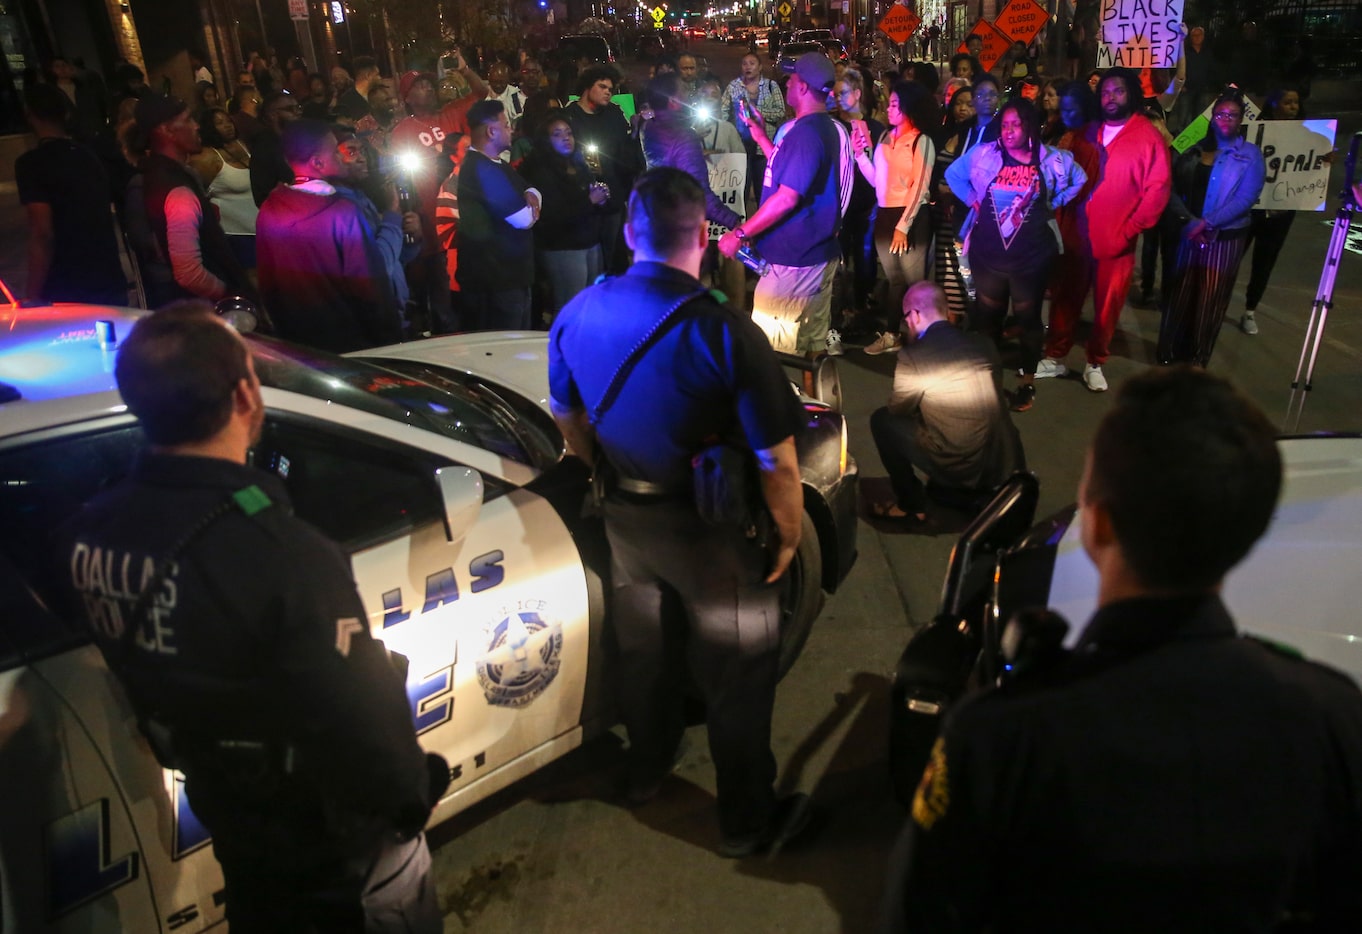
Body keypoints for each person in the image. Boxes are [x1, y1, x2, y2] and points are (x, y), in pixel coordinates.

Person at [879, 365, 1362, 932]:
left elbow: (917, 914)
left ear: (1099, 523)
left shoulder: (1000, 736)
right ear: (1248, 536)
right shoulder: (1331, 718)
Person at [52, 304, 446, 932]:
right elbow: (369, 733)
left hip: (232, 820)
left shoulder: (84, 533)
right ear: (246, 396)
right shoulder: (286, 557)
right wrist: (411, 799)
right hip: (336, 849)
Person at [547, 167, 812, 859]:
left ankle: (646, 770)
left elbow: (566, 415)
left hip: (627, 524)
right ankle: (746, 819)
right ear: (702, 235)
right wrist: (788, 532)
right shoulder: (725, 332)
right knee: (738, 677)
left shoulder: (578, 312)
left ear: (631, 231)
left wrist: (602, 463)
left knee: (643, 657)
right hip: (713, 535)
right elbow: (776, 460)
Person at [946, 98, 1087, 411]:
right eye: (1005, 124)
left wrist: (1055, 201)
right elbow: (954, 174)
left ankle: (1027, 381)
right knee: (988, 319)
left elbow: (1080, 178)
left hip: (1031, 259)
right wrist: (974, 199)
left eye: (1016, 124)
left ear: (1030, 126)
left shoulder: (1052, 159)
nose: (1009, 131)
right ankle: (989, 381)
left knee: (1028, 320)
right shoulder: (986, 153)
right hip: (989, 255)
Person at [1037, 68, 1171, 392]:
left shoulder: (1147, 136)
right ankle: (1055, 356)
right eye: (1107, 92)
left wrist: (1130, 229)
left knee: (1107, 308)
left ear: (1132, 94)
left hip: (1116, 245)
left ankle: (1095, 362)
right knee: (1065, 300)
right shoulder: (1086, 130)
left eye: (1119, 91)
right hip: (1075, 238)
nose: (1111, 97)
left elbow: (1158, 188)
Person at [717, 53, 853, 365]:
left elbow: (787, 197)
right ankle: (820, 409)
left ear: (803, 88)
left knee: (771, 356)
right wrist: (762, 137)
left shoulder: (805, 134)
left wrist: (741, 233)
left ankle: (783, 411)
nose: (787, 83)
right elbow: (789, 172)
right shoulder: (820, 128)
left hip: (794, 263)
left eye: (791, 79)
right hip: (814, 255)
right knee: (811, 349)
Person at [868, 281, 1025, 525]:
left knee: (883, 421)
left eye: (906, 317)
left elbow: (899, 408)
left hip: (961, 462)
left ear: (916, 315)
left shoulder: (914, 356)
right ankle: (963, 488)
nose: (907, 323)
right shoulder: (983, 343)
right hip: (999, 460)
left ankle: (911, 504)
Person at [256, 119, 405, 351]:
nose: (341, 155)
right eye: (335, 151)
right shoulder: (342, 213)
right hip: (353, 343)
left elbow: (268, 283)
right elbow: (370, 286)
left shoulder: (269, 210)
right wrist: (390, 339)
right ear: (318, 162)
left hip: (300, 343)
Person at [1157, 90, 1264, 367]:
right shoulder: (1193, 147)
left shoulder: (1250, 155)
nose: (1225, 119)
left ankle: (1197, 355)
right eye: (1220, 114)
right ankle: (1169, 351)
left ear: (1241, 119)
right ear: (1212, 116)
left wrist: (1207, 223)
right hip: (1187, 231)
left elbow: (1245, 198)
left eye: (1232, 115)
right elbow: (1170, 185)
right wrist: (1189, 222)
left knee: (1210, 297)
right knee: (1180, 293)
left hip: (1224, 238)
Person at [133, 93, 250, 307]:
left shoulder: (159, 174)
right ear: (166, 130)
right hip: (210, 311)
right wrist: (231, 296)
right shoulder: (176, 187)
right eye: (187, 120)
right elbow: (188, 272)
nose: (196, 126)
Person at [15, 82, 127, 306]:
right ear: (65, 113)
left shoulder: (32, 164)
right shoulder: (89, 155)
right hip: (107, 274)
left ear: (30, 115)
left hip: (67, 284)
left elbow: (42, 233)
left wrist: (32, 294)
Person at [852, 80, 936, 356]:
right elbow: (878, 180)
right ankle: (892, 333)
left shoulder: (922, 141)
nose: (888, 108)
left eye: (895, 105)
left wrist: (903, 226)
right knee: (894, 280)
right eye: (889, 103)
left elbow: (919, 187)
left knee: (915, 282)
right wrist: (860, 156)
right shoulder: (886, 138)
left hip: (909, 218)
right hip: (885, 215)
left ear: (909, 108)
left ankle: (926, 338)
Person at [456, 99, 541, 331]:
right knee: (507, 355)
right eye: (506, 124)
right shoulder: (481, 169)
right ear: (491, 131)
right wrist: (531, 200)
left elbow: (532, 190)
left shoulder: (497, 166)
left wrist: (531, 195)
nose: (511, 129)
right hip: (497, 283)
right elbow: (524, 219)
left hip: (512, 278)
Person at [518, 115, 607, 318]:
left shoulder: (578, 164)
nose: (566, 138)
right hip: (563, 247)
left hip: (589, 241)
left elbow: (586, 200)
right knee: (570, 306)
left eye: (569, 133)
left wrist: (600, 199)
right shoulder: (540, 170)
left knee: (589, 303)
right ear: (545, 140)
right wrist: (589, 201)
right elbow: (551, 213)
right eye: (557, 134)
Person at [563, 65, 640, 273]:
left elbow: (625, 152)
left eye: (611, 89)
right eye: (602, 86)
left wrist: (634, 132)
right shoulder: (569, 117)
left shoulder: (614, 113)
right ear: (588, 87)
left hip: (613, 199)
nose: (608, 92)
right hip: (583, 199)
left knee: (614, 256)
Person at [1241, 86, 1304, 334]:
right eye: (1288, 102)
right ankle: (1217, 299)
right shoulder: (1257, 129)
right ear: (1275, 104)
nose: (1292, 107)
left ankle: (1250, 311)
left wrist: (1323, 159)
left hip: (1280, 213)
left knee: (1264, 263)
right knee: (1232, 257)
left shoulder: (1306, 134)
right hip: (1250, 208)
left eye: (1295, 103)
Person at [832, 68, 882, 339]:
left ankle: (863, 308)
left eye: (844, 93)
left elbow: (881, 171)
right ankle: (839, 315)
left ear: (858, 94)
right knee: (839, 261)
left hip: (866, 205)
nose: (838, 98)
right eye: (835, 94)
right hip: (838, 207)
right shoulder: (833, 127)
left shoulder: (874, 129)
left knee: (864, 260)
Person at [928, 84, 976, 327]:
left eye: (969, 104)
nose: (963, 108)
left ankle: (958, 316)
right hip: (940, 209)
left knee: (960, 265)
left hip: (963, 210)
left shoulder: (977, 137)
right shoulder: (943, 134)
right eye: (959, 103)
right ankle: (948, 314)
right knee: (943, 263)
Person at [190, 107, 258, 270]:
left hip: (261, 226)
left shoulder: (242, 145)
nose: (227, 126)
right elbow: (198, 194)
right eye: (220, 123)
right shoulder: (205, 158)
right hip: (235, 233)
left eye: (228, 121)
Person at [721, 53, 785, 203]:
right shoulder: (733, 86)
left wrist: (758, 112)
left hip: (764, 148)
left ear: (760, 67)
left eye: (752, 63)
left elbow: (780, 112)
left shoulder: (771, 86)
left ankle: (764, 223)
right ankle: (742, 224)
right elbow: (723, 111)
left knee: (763, 192)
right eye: (744, 63)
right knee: (740, 190)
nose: (748, 67)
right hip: (740, 147)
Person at [249, 90, 302, 205]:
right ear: (272, 115)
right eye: (290, 109)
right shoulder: (263, 148)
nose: (296, 112)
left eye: (298, 107)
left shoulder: (300, 139)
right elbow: (262, 198)